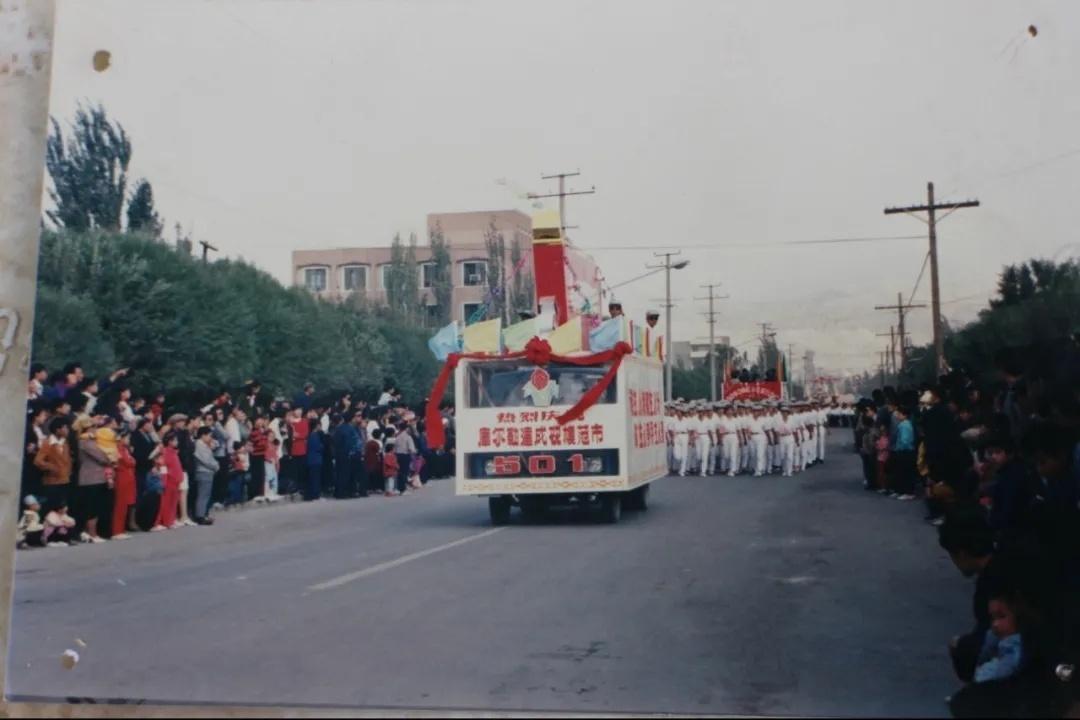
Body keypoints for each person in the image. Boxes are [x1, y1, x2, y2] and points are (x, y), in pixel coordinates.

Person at [74, 417, 112, 543]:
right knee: (92, 507)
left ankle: (92, 532)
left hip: (98, 477)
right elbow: (102, 456)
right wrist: (111, 456)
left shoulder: (93, 440)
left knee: (97, 506)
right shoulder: (85, 441)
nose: (96, 430)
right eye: (94, 427)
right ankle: (92, 533)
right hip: (90, 477)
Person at [34, 416, 72, 514]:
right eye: (65, 427)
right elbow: (38, 461)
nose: (67, 430)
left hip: (64, 481)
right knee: (51, 510)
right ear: (58, 430)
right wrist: (52, 467)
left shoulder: (65, 443)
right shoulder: (47, 443)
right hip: (51, 482)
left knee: (62, 509)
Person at [152, 431, 184, 531]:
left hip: (176, 480)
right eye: (175, 440)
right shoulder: (165, 452)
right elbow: (163, 467)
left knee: (173, 502)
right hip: (169, 481)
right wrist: (164, 481)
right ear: (170, 441)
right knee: (166, 503)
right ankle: (164, 522)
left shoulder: (173, 452)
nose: (177, 442)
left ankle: (171, 520)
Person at [111, 431, 137, 538]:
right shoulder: (118, 449)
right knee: (120, 505)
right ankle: (116, 531)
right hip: (122, 478)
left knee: (125, 505)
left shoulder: (125, 449)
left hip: (128, 478)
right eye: (127, 438)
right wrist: (132, 461)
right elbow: (129, 462)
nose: (128, 440)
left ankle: (121, 529)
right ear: (121, 438)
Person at [192, 426, 218, 525]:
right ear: (203, 435)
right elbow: (206, 460)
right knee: (202, 495)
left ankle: (204, 514)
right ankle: (200, 516)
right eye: (209, 436)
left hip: (208, 472)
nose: (210, 438)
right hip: (203, 472)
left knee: (206, 494)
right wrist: (216, 466)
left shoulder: (204, 444)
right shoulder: (199, 445)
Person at [306, 418, 325, 501]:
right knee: (315, 478)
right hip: (315, 459)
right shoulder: (314, 436)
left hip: (312, 459)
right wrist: (322, 446)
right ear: (317, 426)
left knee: (314, 478)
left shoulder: (311, 435)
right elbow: (318, 447)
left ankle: (314, 495)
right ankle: (315, 495)